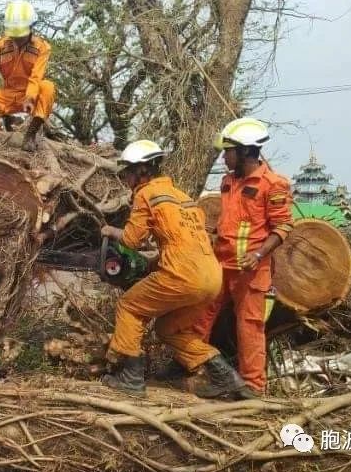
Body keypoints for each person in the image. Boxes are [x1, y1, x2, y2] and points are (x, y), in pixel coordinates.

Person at [99, 140, 251, 400]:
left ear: (142, 170)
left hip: (182, 274)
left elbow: (132, 240)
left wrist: (109, 230)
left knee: (129, 306)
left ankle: (131, 378)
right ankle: (225, 376)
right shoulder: (183, 198)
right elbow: (186, 241)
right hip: (212, 277)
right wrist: (155, 261)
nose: (125, 179)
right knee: (169, 329)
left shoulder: (147, 194)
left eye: (127, 172)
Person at [193, 118, 294, 396]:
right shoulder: (228, 182)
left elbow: (284, 226)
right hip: (220, 265)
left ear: (247, 152)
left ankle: (252, 386)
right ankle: (190, 367)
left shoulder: (273, 185)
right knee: (199, 317)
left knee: (249, 326)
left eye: (229, 151)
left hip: (251, 270)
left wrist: (259, 253)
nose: (224, 157)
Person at [0, 0, 55, 152]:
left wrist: (30, 98)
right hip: (9, 95)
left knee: (48, 87)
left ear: (31, 28)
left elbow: (36, 77)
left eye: (21, 35)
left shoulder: (42, 48)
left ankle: (30, 135)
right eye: (14, 35)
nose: (17, 39)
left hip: (31, 94)